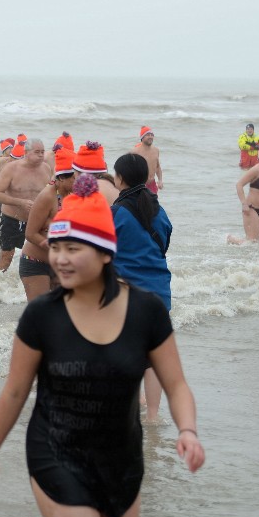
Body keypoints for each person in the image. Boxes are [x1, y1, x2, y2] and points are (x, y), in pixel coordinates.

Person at [0, 173, 204, 517]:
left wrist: (187, 429)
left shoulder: (145, 312)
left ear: (105, 253)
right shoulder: (42, 317)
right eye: (56, 246)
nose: (59, 257)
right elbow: (15, 392)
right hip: (55, 453)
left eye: (73, 247)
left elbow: (177, 382)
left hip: (120, 460)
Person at [112, 153, 174, 419]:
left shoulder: (115, 212)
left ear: (120, 178)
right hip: (160, 291)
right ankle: (153, 415)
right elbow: (165, 243)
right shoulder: (159, 210)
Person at [20, 147, 76, 301]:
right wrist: (54, 246)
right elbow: (30, 233)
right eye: (74, 179)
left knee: (62, 315)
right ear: (62, 178)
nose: (77, 182)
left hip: (61, 265)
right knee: (41, 317)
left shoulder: (73, 196)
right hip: (36, 263)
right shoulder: (47, 196)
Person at [0, 139, 50, 279]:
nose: (41, 155)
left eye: (42, 152)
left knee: (40, 258)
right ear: (26, 153)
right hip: (13, 220)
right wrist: (20, 202)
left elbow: (51, 194)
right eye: (37, 152)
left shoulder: (46, 169)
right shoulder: (11, 168)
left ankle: (30, 285)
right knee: (5, 260)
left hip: (36, 222)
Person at [228, 142, 259, 244]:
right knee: (251, 243)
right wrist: (244, 203)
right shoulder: (256, 170)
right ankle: (231, 239)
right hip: (251, 209)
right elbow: (239, 185)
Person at [133, 126, 163, 194]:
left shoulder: (156, 150)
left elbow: (158, 167)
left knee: (153, 204)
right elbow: (130, 170)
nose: (150, 137)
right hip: (139, 185)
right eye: (147, 135)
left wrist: (160, 180)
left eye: (151, 135)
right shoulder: (135, 151)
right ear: (142, 137)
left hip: (152, 184)